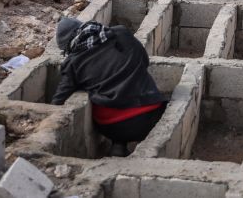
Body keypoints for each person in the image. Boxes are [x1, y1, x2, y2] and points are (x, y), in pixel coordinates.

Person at [51, 17, 167, 157]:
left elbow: (60, 97)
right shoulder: (121, 33)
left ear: (70, 45)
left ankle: (118, 144)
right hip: (149, 115)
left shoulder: (72, 62)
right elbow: (144, 61)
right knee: (141, 83)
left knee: (109, 98)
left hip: (111, 125)